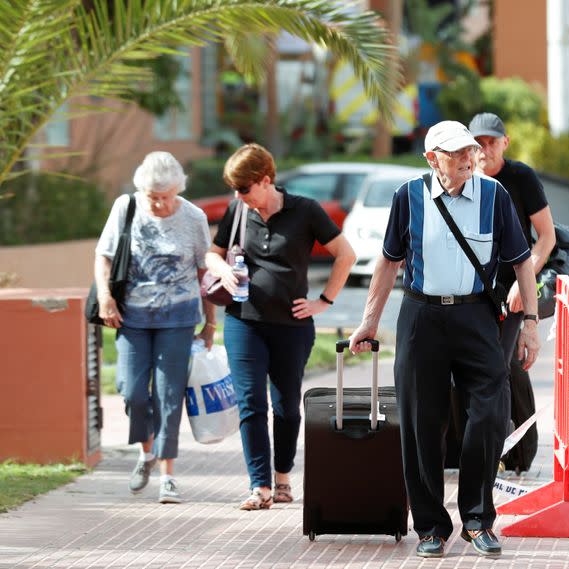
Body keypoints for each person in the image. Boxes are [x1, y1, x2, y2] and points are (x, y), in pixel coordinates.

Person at [349, 121, 541, 558]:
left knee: (491, 415)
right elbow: (387, 263)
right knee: (421, 424)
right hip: (421, 318)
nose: (465, 158)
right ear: (431, 157)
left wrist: (530, 322)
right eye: (454, 153)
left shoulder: (494, 196)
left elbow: (523, 263)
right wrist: (368, 322)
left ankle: (477, 519)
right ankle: (431, 526)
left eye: (468, 151)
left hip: (476, 316)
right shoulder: (408, 196)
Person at [205, 143, 355, 511]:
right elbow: (213, 252)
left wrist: (324, 301)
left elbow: (345, 255)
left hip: (292, 326)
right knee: (250, 404)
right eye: (235, 189)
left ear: (265, 180)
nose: (239, 196)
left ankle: (283, 476)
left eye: (244, 188)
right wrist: (222, 268)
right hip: (244, 322)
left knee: (286, 406)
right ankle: (260, 486)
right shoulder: (238, 210)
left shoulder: (305, 211)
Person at [94, 151, 215, 504]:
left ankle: (167, 476)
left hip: (178, 319)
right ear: (141, 191)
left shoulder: (193, 217)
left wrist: (210, 322)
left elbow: (203, 273)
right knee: (132, 391)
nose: (161, 204)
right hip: (131, 316)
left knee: (168, 394)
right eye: (154, 197)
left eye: (168, 197)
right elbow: (103, 254)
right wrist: (105, 297)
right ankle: (146, 453)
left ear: (179, 190)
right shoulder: (125, 208)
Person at [469, 112, 555, 472]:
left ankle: (506, 454)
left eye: (492, 142)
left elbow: (546, 237)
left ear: (505, 143)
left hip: (511, 290)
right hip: (470, 292)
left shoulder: (521, 178)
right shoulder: (461, 180)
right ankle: (477, 448)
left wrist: (526, 282)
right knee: (477, 370)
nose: (485, 149)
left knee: (500, 368)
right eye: (479, 143)